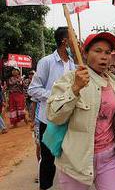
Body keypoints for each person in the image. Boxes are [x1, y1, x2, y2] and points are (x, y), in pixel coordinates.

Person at [47, 32, 115, 190]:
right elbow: (54, 116)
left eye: (107, 52)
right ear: (85, 53)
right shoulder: (70, 79)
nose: (104, 56)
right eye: (98, 51)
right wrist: (75, 89)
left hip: (109, 158)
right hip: (76, 161)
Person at [28, 27, 75, 190]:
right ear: (65, 41)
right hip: (49, 120)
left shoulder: (75, 65)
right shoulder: (46, 62)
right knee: (48, 161)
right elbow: (33, 89)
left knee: (69, 159)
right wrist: (56, 97)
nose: (76, 39)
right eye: (73, 36)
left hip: (69, 120)